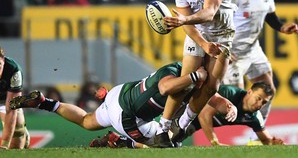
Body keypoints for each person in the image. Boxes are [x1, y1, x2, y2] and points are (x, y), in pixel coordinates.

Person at [9, 62, 209, 148]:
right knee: (165, 143)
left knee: (86, 121)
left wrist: (223, 100)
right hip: (127, 116)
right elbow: (165, 88)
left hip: (119, 94)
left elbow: (207, 93)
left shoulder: (174, 67)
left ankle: (44, 103)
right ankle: (121, 140)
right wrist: (196, 76)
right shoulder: (179, 76)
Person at [155, 0, 236, 147]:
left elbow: (209, 13)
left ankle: (182, 125)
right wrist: (202, 43)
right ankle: (162, 130)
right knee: (185, 82)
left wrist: (184, 20)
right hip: (197, 32)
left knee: (210, 87)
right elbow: (188, 23)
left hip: (222, 34)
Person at [222, 0, 298, 126]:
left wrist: (281, 27)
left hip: (253, 49)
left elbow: (270, 16)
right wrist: (223, 48)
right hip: (234, 52)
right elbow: (218, 20)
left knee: (268, 90)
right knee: (238, 99)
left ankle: (260, 128)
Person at [91, 82, 283, 147]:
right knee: (164, 142)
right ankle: (120, 137)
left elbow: (264, 138)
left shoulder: (253, 117)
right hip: (185, 110)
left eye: (263, 102)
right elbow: (205, 114)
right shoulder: (230, 95)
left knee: (168, 144)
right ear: (249, 92)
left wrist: (271, 142)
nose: (259, 104)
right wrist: (214, 141)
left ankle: (119, 139)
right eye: (258, 98)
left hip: (190, 124)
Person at [0, 46, 30, 149]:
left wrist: (4, 144)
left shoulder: (14, 70)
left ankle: (22, 134)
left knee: (17, 131)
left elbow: (11, 110)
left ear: (3, 60)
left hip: (5, 99)